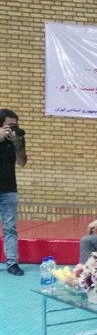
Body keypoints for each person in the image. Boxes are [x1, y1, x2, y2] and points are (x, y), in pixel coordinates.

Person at [0, 109, 28, 276]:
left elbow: (22, 162)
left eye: (15, 125)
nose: (13, 128)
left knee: (10, 227)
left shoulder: (17, 137)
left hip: (9, 188)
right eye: (9, 125)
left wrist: (17, 142)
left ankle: (12, 262)